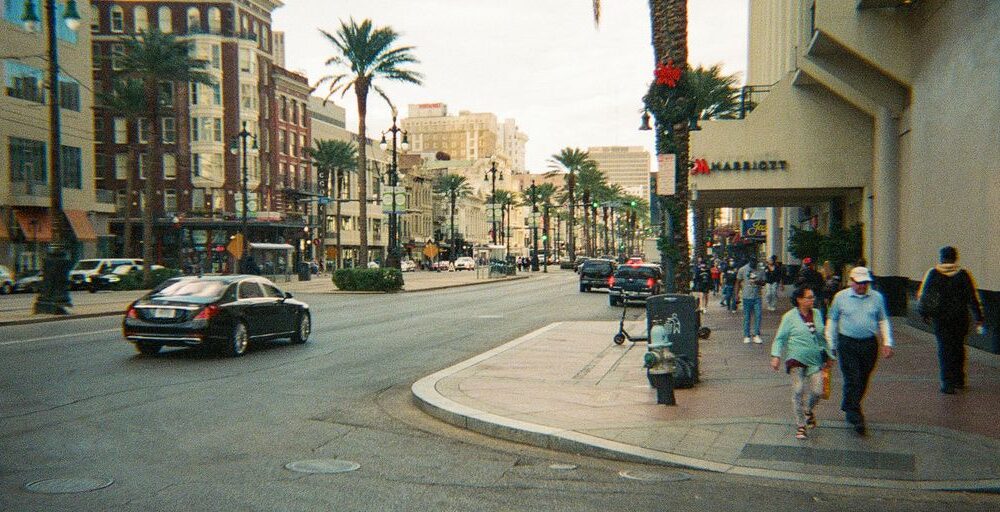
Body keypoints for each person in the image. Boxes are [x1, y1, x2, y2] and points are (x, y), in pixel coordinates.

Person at [825, 266, 894, 435]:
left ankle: (849, 404)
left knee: (863, 377)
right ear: (852, 282)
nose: (863, 286)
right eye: (859, 283)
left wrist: (887, 342)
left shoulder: (876, 298)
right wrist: (830, 345)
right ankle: (856, 415)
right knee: (853, 377)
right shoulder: (840, 298)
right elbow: (832, 322)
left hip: (869, 343)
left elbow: (883, 320)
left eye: (865, 283)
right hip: (847, 342)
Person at [917, 246, 985, 394]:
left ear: (941, 258)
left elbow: (925, 295)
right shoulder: (963, 275)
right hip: (960, 319)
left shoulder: (933, 274)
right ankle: (959, 378)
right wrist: (979, 317)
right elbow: (972, 297)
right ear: (955, 258)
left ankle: (947, 382)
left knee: (944, 348)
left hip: (941, 320)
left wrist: (924, 314)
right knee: (958, 347)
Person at [770, 286, 835, 439]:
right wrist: (776, 355)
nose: (812, 300)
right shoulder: (789, 317)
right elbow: (780, 338)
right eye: (809, 297)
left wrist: (830, 355)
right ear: (799, 299)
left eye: (813, 297)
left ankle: (808, 410)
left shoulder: (817, 314)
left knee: (818, 391)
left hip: (815, 360)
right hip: (796, 358)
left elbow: (822, 337)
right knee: (798, 390)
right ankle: (801, 425)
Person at [736, 257, 765, 344]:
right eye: (752, 262)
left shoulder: (760, 270)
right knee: (747, 316)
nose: (754, 264)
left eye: (755, 262)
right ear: (749, 261)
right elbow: (737, 281)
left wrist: (758, 282)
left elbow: (764, 282)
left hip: (757, 296)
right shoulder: (743, 269)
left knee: (758, 316)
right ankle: (746, 335)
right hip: (746, 296)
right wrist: (736, 295)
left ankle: (756, 335)